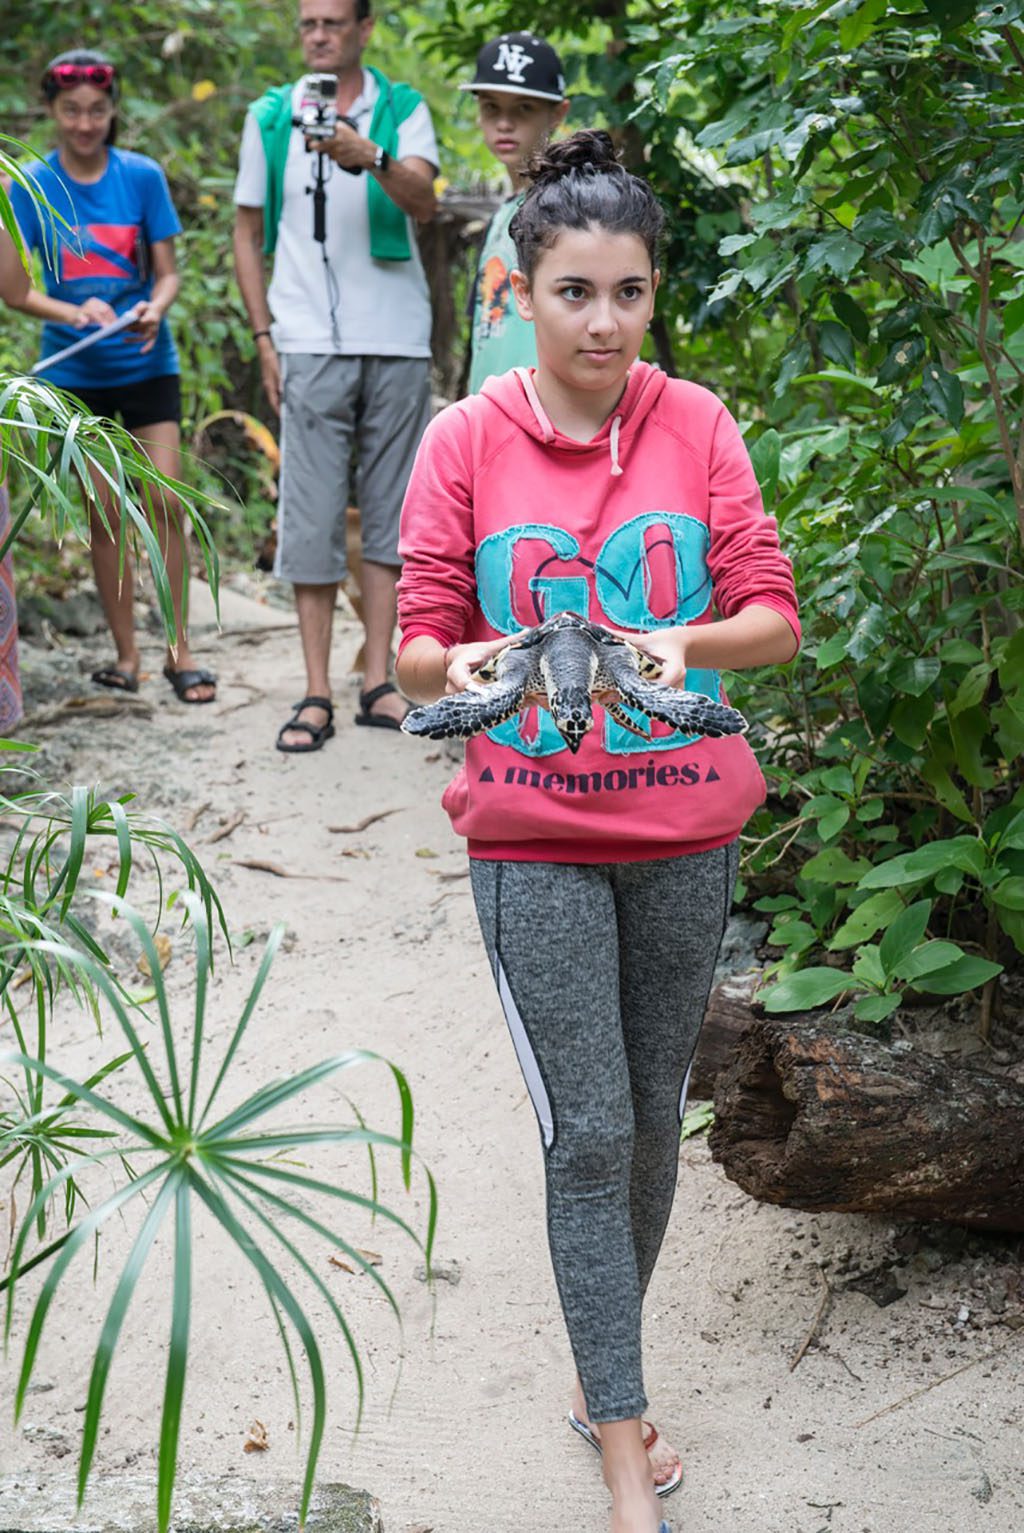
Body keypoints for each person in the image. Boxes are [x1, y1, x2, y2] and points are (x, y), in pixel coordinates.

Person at [396, 131, 800, 1533]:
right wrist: (462, 669)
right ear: (517, 290)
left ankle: (596, 1371)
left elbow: (773, 615)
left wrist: (675, 643)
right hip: (532, 834)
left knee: (649, 1138)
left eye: (629, 292)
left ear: (651, 296)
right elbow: (414, 644)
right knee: (588, 1135)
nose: (605, 321)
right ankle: (625, 1436)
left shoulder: (696, 423)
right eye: (574, 291)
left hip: (688, 830)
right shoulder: (466, 437)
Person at [233, 0, 438, 752]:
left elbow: (427, 198)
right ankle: (316, 690)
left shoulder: (403, 108)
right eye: (307, 24)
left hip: (397, 334)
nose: (318, 36)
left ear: (364, 29)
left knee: (391, 515)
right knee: (312, 515)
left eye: (331, 24)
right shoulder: (269, 116)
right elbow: (246, 227)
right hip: (306, 335)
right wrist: (265, 336)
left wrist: (371, 154)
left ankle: (377, 680)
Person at [8, 50, 215, 705]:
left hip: (148, 363)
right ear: (52, 111)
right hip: (76, 372)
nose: (85, 123)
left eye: (97, 110)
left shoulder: (142, 176)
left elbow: (168, 271)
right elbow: (14, 291)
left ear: (113, 110)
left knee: (166, 502)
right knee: (106, 516)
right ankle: (127, 657)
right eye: (71, 110)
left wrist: (155, 305)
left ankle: (181, 650)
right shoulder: (30, 185)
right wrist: (77, 309)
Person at [460, 31, 569, 394]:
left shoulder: (569, 210)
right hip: (490, 416)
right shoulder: (503, 215)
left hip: (543, 419)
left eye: (523, 108)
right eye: (491, 107)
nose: (504, 123)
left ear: (558, 113)